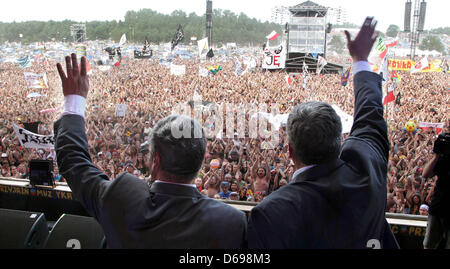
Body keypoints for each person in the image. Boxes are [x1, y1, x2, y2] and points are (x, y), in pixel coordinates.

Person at [53, 54, 247, 249]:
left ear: (156, 160)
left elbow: (74, 162)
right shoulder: (230, 221)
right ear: (199, 164)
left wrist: (74, 100)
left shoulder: (123, 198)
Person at [247, 17, 398, 249]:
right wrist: (360, 60)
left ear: (290, 151)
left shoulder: (271, 212)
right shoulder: (367, 175)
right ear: (339, 141)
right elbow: (370, 116)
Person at [422, 132, 450, 249]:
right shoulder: (442, 160)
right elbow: (426, 174)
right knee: (429, 244)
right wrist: (436, 156)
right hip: (438, 206)